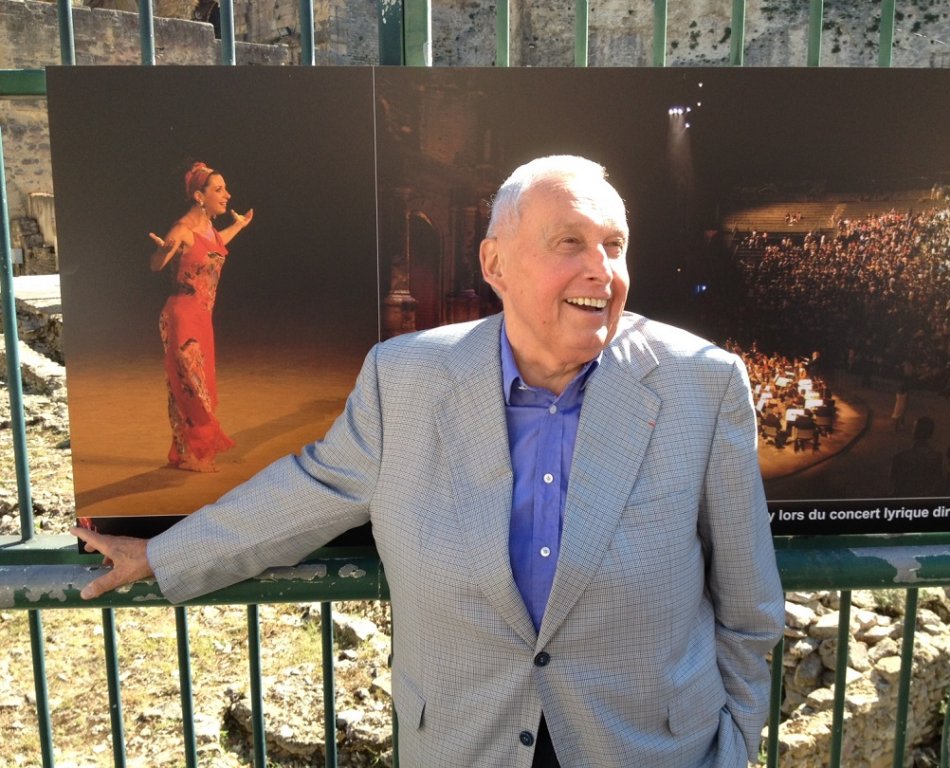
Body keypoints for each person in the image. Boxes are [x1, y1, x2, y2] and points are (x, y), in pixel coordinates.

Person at [74, 155, 784, 768]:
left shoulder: (702, 384)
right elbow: (311, 488)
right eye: (570, 243)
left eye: (614, 244)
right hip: (463, 744)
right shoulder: (404, 379)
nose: (601, 270)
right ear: (494, 263)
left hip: (649, 750)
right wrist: (163, 556)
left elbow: (750, 608)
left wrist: (733, 747)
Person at [150, 161, 253, 472]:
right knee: (191, 386)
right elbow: (157, 264)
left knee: (196, 384)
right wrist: (164, 251)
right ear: (199, 195)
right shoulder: (182, 229)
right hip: (182, 316)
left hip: (202, 319)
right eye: (219, 190)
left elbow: (215, 247)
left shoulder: (207, 228)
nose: (227, 195)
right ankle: (198, 453)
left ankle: (185, 452)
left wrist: (238, 226)